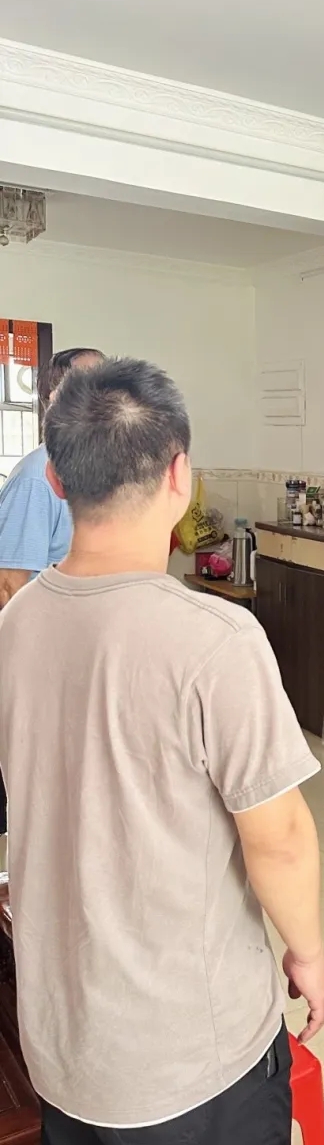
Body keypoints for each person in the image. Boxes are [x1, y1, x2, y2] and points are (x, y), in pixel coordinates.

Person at [0, 359, 324, 1145]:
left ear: (56, 478)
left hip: (63, 1034)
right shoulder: (214, 640)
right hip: (189, 1055)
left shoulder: (16, 625)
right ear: (181, 474)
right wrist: (306, 953)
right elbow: (280, 837)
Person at [0, 345, 102, 837]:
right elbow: (9, 586)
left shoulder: (96, 471)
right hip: (44, 661)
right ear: (56, 397)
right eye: (93, 384)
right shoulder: (37, 479)